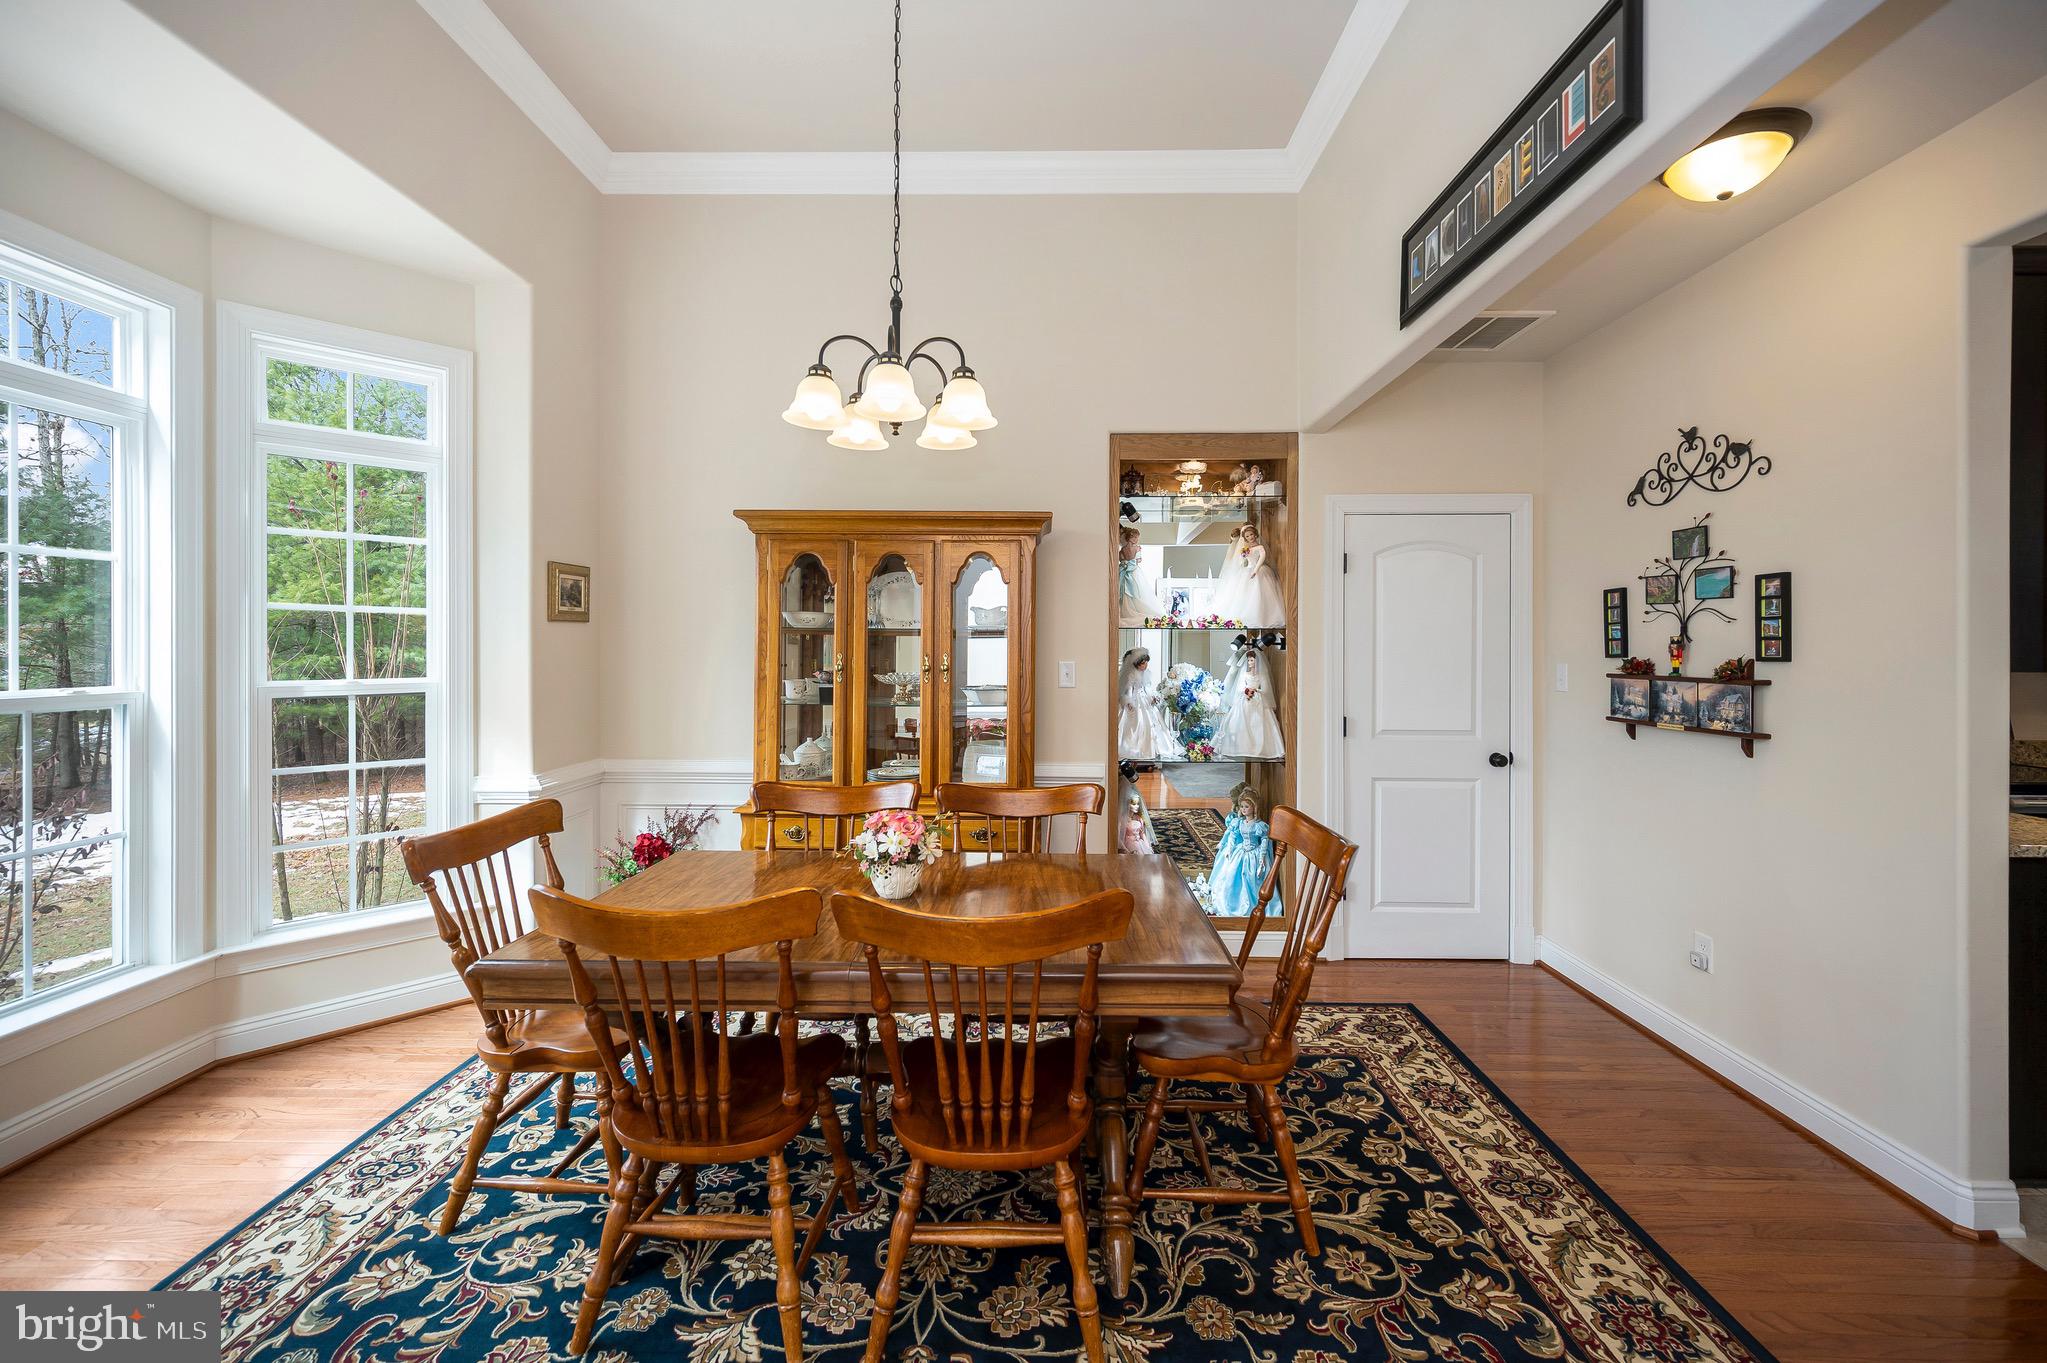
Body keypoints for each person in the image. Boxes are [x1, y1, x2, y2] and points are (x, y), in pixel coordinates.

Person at [1208, 784, 1279, 919]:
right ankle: (1233, 901)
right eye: (1242, 807)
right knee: (1232, 874)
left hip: (1254, 854)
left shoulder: (1260, 826)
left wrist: (1262, 857)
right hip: (1241, 851)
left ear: (1254, 807)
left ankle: (1254, 905)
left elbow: (1264, 841)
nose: (1244, 810)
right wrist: (1229, 848)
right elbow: (1233, 835)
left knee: (1252, 880)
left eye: (1247, 807)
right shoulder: (1238, 823)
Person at [1215, 645, 1285, 759]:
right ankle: (1239, 747)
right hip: (1245, 699)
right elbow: (1239, 688)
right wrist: (1246, 690)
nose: (1250, 662)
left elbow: (1266, 689)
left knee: (1258, 723)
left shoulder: (1261, 675)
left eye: (1252, 660)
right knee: (1239, 721)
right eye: (1248, 660)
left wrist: (1256, 690)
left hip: (1258, 700)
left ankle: (1259, 748)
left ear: (1257, 661)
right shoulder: (1244, 674)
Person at [1210, 524, 1286, 627]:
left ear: (1255, 534)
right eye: (1247, 536)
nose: (1250, 537)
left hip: (1259, 570)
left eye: (1251, 534)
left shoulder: (1260, 547)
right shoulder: (1245, 548)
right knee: (1244, 594)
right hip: (1247, 571)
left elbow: (1261, 558)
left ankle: (1264, 617)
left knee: (1261, 593)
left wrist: (1255, 570)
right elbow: (1242, 561)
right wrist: (1243, 560)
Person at [1117, 647, 1184, 761]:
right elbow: (1127, 690)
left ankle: (1156, 749)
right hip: (1135, 701)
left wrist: (1152, 697)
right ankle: (1138, 750)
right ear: (1136, 664)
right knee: (1138, 724)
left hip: (1144, 700)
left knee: (1154, 723)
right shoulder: (1130, 675)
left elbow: (1147, 688)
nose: (1146, 665)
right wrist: (1128, 701)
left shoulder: (1145, 673)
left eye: (1146, 662)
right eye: (1143, 663)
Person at [1117, 525, 1162, 626]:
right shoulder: (1137, 548)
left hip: (1124, 571)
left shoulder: (1122, 550)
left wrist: (1125, 563)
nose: (1137, 540)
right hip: (1133, 571)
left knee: (1125, 590)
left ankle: (1125, 611)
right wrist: (1133, 561)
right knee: (1135, 590)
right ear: (1130, 537)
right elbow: (1138, 560)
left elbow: (1121, 559)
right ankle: (1131, 610)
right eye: (1135, 537)